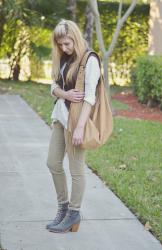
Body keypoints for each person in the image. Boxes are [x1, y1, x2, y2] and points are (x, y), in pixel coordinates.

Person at [46, 19, 100, 233]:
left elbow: (89, 98)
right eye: (60, 44)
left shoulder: (90, 60)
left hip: (77, 121)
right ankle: (63, 207)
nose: (63, 48)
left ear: (76, 38)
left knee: (76, 169)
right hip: (60, 116)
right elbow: (53, 86)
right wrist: (63, 93)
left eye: (67, 43)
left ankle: (74, 212)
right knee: (52, 163)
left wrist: (80, 128)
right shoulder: (63, 58)